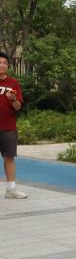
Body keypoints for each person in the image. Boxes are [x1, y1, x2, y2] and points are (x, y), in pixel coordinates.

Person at [0, 52, 27, 199]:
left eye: (5, 63)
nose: (2, 65)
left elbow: (18, 107)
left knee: (9, 157)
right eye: (0, 62)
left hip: (8, 127)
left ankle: (11, 189)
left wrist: (13, 99)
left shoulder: (13, 83)